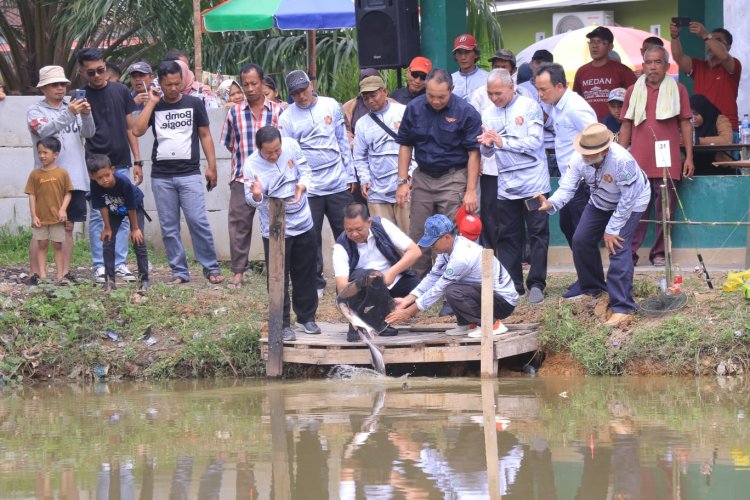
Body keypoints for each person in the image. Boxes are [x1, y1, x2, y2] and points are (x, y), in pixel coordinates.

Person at [535, 123, 651, 327]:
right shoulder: (578, 158)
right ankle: (592, 288)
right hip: (599, 201)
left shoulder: (623, 161)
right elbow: (567, 188)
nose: (586, 157)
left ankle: (623, 307)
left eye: (592, 153)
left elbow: (628, 199)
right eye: (584, 153)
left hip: (631, 202)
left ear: (605, 150)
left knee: (618, 246)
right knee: (580, 240)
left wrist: (612, 229)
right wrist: (550, 202)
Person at [132, 60, 225, 284]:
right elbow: (137, 130)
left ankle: (211, 268)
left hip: (190, 173)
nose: (173, 89)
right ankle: (179, 272)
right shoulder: (155, 104)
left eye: (177, 83)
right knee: (169, 226)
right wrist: (152, 103)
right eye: (168, 85)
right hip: (161, 176)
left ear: (182, 81)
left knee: (197, 220)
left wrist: (212, 166)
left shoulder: (194, 103)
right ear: (160, 84)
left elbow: (205, 135)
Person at [395, 68, 482, 277]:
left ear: (451, 90)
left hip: (453, 177)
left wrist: (471, 191)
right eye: (430, 95)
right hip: (423, 177)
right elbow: (405, 145)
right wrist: (402, 181)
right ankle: (417, 285)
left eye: (441, 97)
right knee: (418, 233)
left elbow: (474, 153)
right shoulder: (414, 109)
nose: (435, 101)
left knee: (452, 235)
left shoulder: (465, 111)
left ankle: (454, 283)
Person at [278, 70, 356, 298]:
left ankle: (352, 276)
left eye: (304, 90)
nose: (301, 96)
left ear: (312, 85)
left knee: (347, 231)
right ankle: (316, 282)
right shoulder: (286, 118)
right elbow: (288, 154)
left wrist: (350, 175)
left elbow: (342, 140)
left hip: (337, 181)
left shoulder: (331, 105)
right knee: (309, 236)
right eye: (295, 93)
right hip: (309, 186)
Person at [477, 69, 550, 304]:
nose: (494, 98)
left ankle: (537, 283)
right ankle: (513, 285)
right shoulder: (487, 113)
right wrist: (487, 145)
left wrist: (502, 141)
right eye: (490, 93)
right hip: (505, 184)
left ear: (511, 87)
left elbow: (535, 142)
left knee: (537, 232)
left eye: (498, 93)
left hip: (533, 183)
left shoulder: (529, 106)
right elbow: (488, 150)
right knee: (507, 235)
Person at [619, 45, 694, 267]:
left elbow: (685, 124)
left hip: (667, 159)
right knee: (635, 210)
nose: (653, 67)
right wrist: (621, 158)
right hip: (638, 160)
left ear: (666, 65)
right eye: (649, 62)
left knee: (665, 211)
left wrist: (688, 157)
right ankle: (629, 254)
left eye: (658, 62)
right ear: (643, 66)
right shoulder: (633, 90)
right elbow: (626, 125)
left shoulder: (678, 89)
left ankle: (659, 254)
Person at [384, 214, 518, 338]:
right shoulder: (446, 250)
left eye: (433, 242)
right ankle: (469, 324)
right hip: (488, 295)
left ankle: (492, 325)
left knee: (452, 290)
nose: (431, 246)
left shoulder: (461, 257)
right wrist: (407, 300)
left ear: (447, 237)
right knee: (452, 288)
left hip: (503, 301)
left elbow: (439, 288)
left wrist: (409, 312)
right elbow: (433, 276)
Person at [244, 126, 319, 341]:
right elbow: (250, 200)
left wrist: (302, 186)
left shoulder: (292, 146)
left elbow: (305, 170)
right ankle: (283, 322)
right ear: (259, 148)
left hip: (303, 220)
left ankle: (307, 317)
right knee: (278, 276)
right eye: (269, 152)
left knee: (305, 271)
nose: (274, 155)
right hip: (275, 229)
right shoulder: (251, 165)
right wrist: (257, 195)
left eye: (277, 150)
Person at [77, 47, 142, 284]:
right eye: (91, 72)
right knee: (97, 214)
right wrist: (79, 111)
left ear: (105, 66)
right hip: (94, 164)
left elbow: (130, 128)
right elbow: (81, 133)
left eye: (100, 70)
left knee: (122, 213)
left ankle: (120, 263)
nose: (97, 76)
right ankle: (100, 265)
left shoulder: (121, 91)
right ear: (82, 72)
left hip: (121, 162)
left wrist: (138, 160)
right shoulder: (80, 96)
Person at [27, 65, 95, 283]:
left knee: (67, 226)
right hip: (46, 178)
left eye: (63, 84)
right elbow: (44, 131)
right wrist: (69, 113)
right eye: (54, 85)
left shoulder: (72, 106)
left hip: (74, 176)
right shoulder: (35, 111)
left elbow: (89, 133)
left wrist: (86, 115)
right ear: (43, 88)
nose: (60, 88)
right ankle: (35, 273)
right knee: (41, 228)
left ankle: (63, 274)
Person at [535, 62, 597, 298]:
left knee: (582, 233)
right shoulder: (556, 105)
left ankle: (591, 284)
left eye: (544, 90)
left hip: (581, 181)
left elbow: (596, 136)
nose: (540, 95)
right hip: (567, 181)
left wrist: (580, 165)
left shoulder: (575, 107)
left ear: (560, 86)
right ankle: (585, 277)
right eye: (538, 89)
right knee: (568, 227)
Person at [220, 63, 282, 288]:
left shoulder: (277, 111)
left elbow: (286, 143)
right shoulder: (234, 112)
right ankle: (238, 272)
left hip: (274, 178)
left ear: (263, 82)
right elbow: (229, 143)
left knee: (277, 225)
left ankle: (278, 271)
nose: (250, 88)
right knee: (238, 225)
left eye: (254, 83)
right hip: (242, 178)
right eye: (245, 84)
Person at [333, 203, 422, 341]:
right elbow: (342, 289)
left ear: (369, 222)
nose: (354, 234)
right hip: (365, 288)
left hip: (392, 282)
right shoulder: (341, 246)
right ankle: (358, 324)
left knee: (419, 289)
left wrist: (392, 272)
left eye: (358, 229)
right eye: (349, 230)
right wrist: (364, 281)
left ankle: (381, 320)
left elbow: (415, 251)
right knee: (364, 274)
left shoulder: (382, 225)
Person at [353, 75, 415, 233]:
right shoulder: (362, 124)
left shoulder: (403, 112)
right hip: (377, 190)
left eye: (374, 95)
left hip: (404, 185)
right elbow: (359, 156)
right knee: (384, 238)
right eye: (366, 98)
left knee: (409, 236)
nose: (370, 101)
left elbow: (416, 145)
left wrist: (411, 173)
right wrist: (364, 178)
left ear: (385, 91)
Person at [87, 154, 149, 291]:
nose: (104, 180)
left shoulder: (123, 182)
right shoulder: (95, 185)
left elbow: (131, 206)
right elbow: (102, 206)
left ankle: (144, 280)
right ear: (92, 177)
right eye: (99, 178)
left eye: (107, 175)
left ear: (113, 170)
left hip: (134, 207)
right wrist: (107, 228)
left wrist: (134, 229)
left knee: (138, 240)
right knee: (108, 240)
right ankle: (109, 280)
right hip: (114, 209)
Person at [670, 21, 741, 131]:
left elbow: (724, 56)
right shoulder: (698, 65)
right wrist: (675, 37)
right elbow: (678, 57)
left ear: (728, 47)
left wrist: (705, 35)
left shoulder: (734, 64)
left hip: (726, 128)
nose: (710, 43)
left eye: (718, 40)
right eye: (709, 40)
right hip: (701, 127)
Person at [24, 137, 73, 284]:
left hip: (57, 218)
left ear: (55, 154)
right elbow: (31, 195)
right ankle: (43, 276)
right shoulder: (34, 174)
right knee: (41, 244)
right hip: (41, 218)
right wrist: (33, 215)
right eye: (39, 152)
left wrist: (63, 210)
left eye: (45, 152)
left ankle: (60, 276)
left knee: (58, 245)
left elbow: (68, 193)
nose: (42, 156)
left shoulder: (62, 173)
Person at [573, 27, 637, 121]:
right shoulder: (581, 72)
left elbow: (636, 100)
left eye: (600, 42)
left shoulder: (623, 71)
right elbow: (576, 103)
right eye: (592, 42)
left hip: (616, 130)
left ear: (610, 47)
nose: (594, 46)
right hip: (589, 129)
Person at [519, 50, 557, 176]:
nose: (541, 66)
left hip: (552, 150)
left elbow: (562, 125)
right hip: (528, 151)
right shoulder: (520, 89)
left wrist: (545, 118)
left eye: (545, 63)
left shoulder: (558, 89)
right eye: (538, 62)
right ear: (531, 64)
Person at [690, 94, 734, 175]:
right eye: (690, 114)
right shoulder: (688, 124)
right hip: (694, 168)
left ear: (703, 111)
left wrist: (698, 141)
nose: (693, 118)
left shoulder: (720, 119)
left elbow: (726, 140)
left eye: (695, 113)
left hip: (718, 168)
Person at [451, 34, 490, 100]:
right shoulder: (450, 79)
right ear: (456, 56)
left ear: (476, 54)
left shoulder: (488, 78)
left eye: (467, 52)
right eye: (459, 53)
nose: (463, 57)